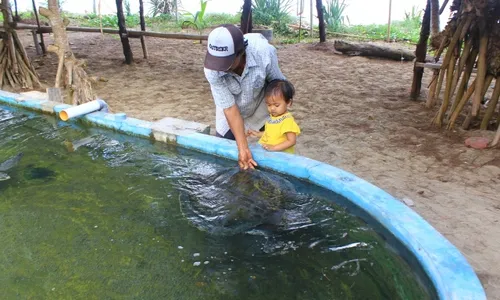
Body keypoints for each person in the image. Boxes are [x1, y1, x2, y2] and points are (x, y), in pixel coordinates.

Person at [204, 24, 286, 170]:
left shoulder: (263, 52)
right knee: (223, 153)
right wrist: (242, 148)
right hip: (232, 107)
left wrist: (278, 122)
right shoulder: (212, 69)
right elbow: (229, 108)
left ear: (240, 52)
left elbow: (278, 84)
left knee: (265, 151)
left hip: (261, 103)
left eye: (226, 62)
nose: (220, 67)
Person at [247, 79, 300, 154]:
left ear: (288, 103)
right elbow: (271, 133)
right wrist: (258, 134)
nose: (272, 108)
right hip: (270, 153)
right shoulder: (273, 117)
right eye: (269, 105)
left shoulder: (287, 121)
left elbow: (291, 141)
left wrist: (274, 148)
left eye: (276, 105)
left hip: (282, 156)